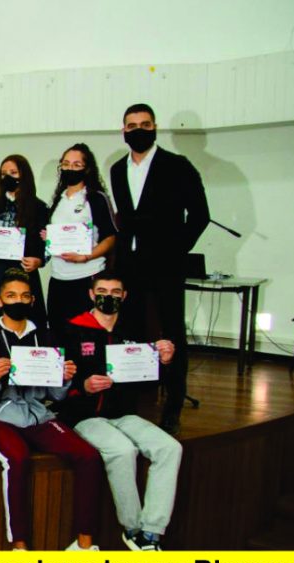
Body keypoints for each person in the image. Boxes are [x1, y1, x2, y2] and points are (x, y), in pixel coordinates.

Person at [0, 268, 100, 551]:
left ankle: (84, 545)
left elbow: (55, 396)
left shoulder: (47, 336)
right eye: (11, 296)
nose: (18, 301)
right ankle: (19, 547)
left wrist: (64, 378)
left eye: (24, 296)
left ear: (32, 300)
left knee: (89, 456)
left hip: (38, 415)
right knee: (18, 458)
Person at [54, 271, 182, 551]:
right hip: (84, 416)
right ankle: (132, 527)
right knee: (123, 451)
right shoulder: (71, 328)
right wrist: (83, 385)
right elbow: (57, 381)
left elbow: (149, 382)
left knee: (170, 448)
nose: (108, 297)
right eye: (102, 291)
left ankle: (151, 531)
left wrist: (164, 362)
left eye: (114, 293)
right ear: (91, 294)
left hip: (124, 415)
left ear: (124, 296)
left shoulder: (132, 330)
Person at [109, 103, 209, 435]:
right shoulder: (117, 169)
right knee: (131, 330)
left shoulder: (177, 165)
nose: (138, 130)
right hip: (130, 265)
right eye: (131, 125)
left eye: (145, 124)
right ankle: (132, 397)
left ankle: (173, 404)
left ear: (154, 127)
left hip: (166, 265)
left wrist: (176, 250)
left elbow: (200, 215)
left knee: (171, 331)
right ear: (123, 130)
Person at [45, 144, 118, 337]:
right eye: (66, 164)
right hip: (58, 278)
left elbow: (110, 237)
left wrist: (86, 257)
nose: (70, 168)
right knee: (58, 334)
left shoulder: (96, 198)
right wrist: (48, 237)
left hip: (86, 277)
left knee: (86, 337)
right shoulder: (58, 200)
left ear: (87, 169)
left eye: (76, 164)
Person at [0, 155, 49, 327]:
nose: (8, 177)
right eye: (3, 173)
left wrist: (39, 261)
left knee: (26, 323)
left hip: (23, 272)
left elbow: (47, 245)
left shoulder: (39, 207)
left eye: (13, 172)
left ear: (24, 175)